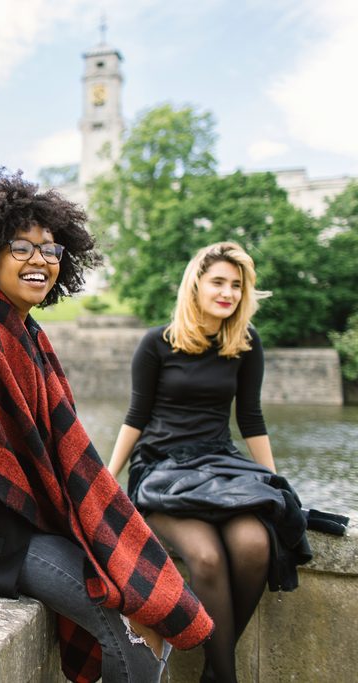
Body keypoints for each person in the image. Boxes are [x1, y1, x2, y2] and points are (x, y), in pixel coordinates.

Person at [0, 166, 213, 683]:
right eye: (21, 247)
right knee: (123, 613)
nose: (40, 260)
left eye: (51, 249)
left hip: (18, 524)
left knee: (145, 599)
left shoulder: (28, 335)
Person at [107, 242, 313, 682]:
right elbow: (136, 418)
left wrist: (275, 481)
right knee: (207, 558)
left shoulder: (245, 342)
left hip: (219, 465)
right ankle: (227, 677)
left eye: (237, 285)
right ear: (195, 284)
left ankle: (214, 676)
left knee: (256, 544)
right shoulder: (156, 343)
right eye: (219, 281)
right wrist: (107, 481)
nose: (229, 293)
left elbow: (252, 419)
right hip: (161, 469)